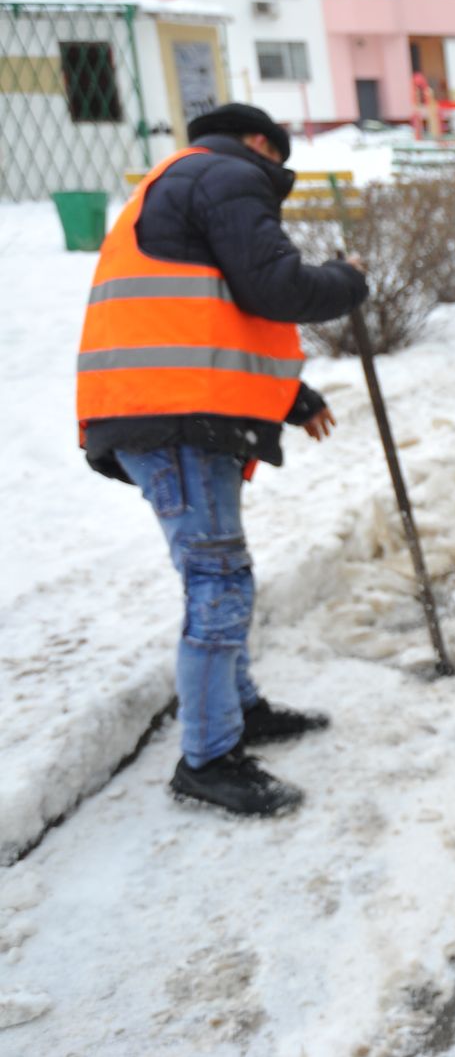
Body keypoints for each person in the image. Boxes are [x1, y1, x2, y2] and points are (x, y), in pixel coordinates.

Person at [77, 102, 370, 818]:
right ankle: (208, 758)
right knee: (219, 579)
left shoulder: (181, 181)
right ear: (260, 144)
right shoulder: (229, 176)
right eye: (279, 159)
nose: (278, 174)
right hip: (173, 419)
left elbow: (210, 317)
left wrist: (290, 395)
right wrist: (346, 278)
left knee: (217, 573)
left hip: (166, 408)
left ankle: (238, 710)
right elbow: (276, 288)